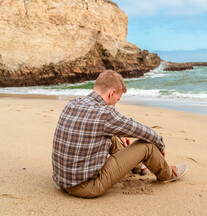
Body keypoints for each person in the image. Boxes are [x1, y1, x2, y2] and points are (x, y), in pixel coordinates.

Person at [52, 70, 188, 198]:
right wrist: (160, 144)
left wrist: (118, 133)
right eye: (117, 100)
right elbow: (143, 131)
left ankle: (138, 167)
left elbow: (93, 128)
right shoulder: (105, 114)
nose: (115, 104)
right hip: (86, 186)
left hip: (62, 180)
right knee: (147, 146)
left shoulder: (72, 104)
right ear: (111, 93)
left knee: (112, 137)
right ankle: (167, 174)